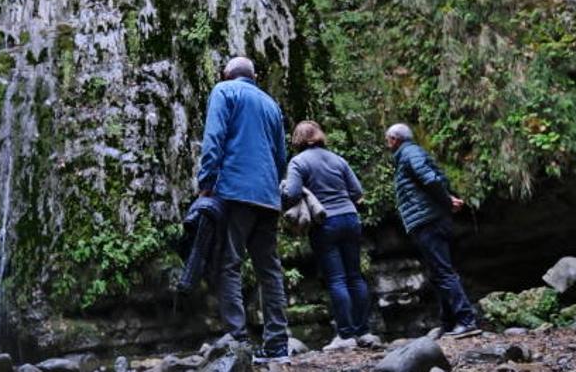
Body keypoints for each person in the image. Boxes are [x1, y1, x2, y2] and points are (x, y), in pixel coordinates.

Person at [198, 56, 290, 362]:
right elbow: (281, 154)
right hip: (267, 196)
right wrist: (272, 186)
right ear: (254, 75)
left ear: (227, 73)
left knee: (230, 262)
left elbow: (214, 138)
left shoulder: (224, 91)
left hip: (235, 191)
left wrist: (207, 181)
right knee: (270, 270)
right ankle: (277, 344)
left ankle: (237, 339)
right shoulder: (271, 104)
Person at [283, 120, 379, 351]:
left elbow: (293, 193)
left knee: (336, 279)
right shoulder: (338, 159)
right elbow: (356, 192)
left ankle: (345, 335)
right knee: (355, 276)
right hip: (350, 217)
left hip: (326, 222)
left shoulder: (298, 162)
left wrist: (284, 189)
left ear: (297, 139)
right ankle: (363, 331)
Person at [385, 122, 481, 339]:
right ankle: (448, 322)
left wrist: (446, 200)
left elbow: (430, 178)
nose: (387, 144)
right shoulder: (407, 155)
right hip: (427, 220)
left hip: (429, 221)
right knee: (437, 273)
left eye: (388, 139)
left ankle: (467, 320)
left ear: (394, 139)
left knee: (443, 271)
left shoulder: (409, 153)